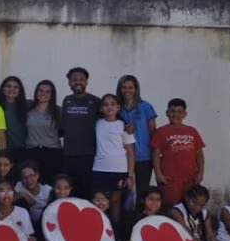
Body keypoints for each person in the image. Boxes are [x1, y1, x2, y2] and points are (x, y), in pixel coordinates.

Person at [152, 98, 206, 208]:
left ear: (185, 114)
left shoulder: (192, 131)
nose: (176, 114)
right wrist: (158, 174)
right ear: (167, 113)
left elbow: (199, 154)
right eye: (172, 111)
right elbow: (156, 154)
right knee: (170, 205)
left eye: (179, 112)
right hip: (169, 179)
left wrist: (200, 173)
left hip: (190, 178)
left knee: (189, 206)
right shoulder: (161, 131)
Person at [92, 93, 136, 225]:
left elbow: (131, 153)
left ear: (118, 107)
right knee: (99, 202)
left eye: (112, 104)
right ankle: (99, 232)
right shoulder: (97, 124)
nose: (109, 107)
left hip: (119, 170)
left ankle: (115, 237)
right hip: (99, 169)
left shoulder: (124, 126)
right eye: (105, 104)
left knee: (115, 203)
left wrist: (130, 176)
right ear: (101, 109)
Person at [60, 68, 100, 198]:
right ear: (69, 83)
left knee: (86, 191)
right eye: (74, 80)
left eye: (81, 79)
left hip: (88, 155)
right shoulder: (67, 100)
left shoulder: (95, 101)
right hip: (69, 154)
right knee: (70, 191)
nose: (78, 82)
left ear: (87, 82)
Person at [117, 75, 158, 198]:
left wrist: (156, 155)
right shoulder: (117, 107)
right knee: (123, 192)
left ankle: (141, 216)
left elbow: (153, 132)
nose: (127, 90)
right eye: (124, 87)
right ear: (119, 89)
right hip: (123, 157)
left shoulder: (145, 106)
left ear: (136, 89)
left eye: (130, 87)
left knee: (142, 191)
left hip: (143, 156)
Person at [26, 80, 62, 181]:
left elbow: (65, 131)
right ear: (36, 92)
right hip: (31, 152)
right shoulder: (28, 109)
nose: (43, 94)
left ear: (52, 94)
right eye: (41, 90)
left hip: (52, 153)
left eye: (47, 91)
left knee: (50, 184)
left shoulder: (58, 111)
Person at [0, 76, 29, 166]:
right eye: (8, 86)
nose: (12, 89)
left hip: (22, 149)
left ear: (20, 90)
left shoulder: (27, 105)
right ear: (3, 88)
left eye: (15, 87)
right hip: (1, 149)